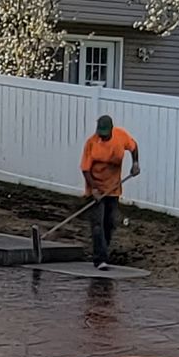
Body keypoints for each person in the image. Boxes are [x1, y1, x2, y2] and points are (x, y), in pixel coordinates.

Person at [78, 111, 141, 267]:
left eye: (105, 134)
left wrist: (135, 163)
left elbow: (133, 147)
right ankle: (100, 259)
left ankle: (103, 251)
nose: (103, 137)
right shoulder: (91, 143)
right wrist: (93, 189)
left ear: (112, 130)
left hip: (113, 187)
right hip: (96, 187)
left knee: (109, 223)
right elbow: (85, 169)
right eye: (101, 133)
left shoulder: (120, 136)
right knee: (97, 224)